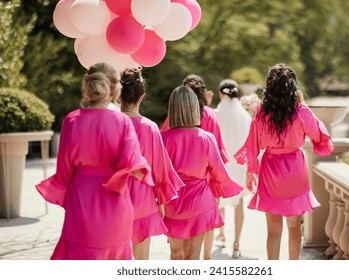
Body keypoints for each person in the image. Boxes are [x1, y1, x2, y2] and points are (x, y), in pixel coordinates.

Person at [35, 62, 153, 260]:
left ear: (87, 86)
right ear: (116, 89)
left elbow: (64, 173)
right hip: (115, 201)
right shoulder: (122, 122)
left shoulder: (72, 120)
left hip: (81, 200)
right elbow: (132, 164)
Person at [234, 63, 334, 260]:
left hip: (271, 168)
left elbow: (253, 144)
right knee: (295, 226)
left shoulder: (262, 112)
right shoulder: (300, 111)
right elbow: (319, 133)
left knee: (273, 230)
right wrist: (303, 104)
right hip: (295, 168)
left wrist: (250, 172)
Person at [161, 86, 243, 260]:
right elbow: (219, 173)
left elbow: (159, 174)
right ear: (194, 107)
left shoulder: (164, 139)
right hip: (200, 200)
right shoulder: (206, 138)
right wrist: (224, 189)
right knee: (194, 256)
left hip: (173, 202)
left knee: (176, 254)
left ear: (173, 109)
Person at [119, 68, 184, 260]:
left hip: (113, 197)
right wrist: (161, 200)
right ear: (142, 96)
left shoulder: (108, 124)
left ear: (117, 96)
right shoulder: (149, 127)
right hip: (142, 198)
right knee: (141, 258)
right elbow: (160, 169)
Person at [213, 79, 252, 258]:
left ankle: (221, 234)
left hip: (222, 163)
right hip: (239, 164)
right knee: (239, 205)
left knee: (219, 199)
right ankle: (236, 244)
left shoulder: (216, 113)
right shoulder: (245, 115)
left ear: (221, 93)